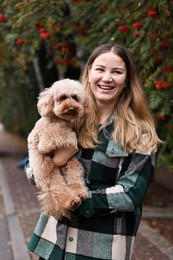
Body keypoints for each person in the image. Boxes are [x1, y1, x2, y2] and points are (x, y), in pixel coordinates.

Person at [26, 42, 161, 260]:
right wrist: (57, 161)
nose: (107, 78)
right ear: (89, 73)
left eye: (116, 72)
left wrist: (75, 199)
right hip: (52, 243)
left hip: (100, 248)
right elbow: (32, 171)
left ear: (126, 80)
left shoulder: (140, 133)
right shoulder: (65, 117)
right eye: (100, 69)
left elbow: (130, 193)